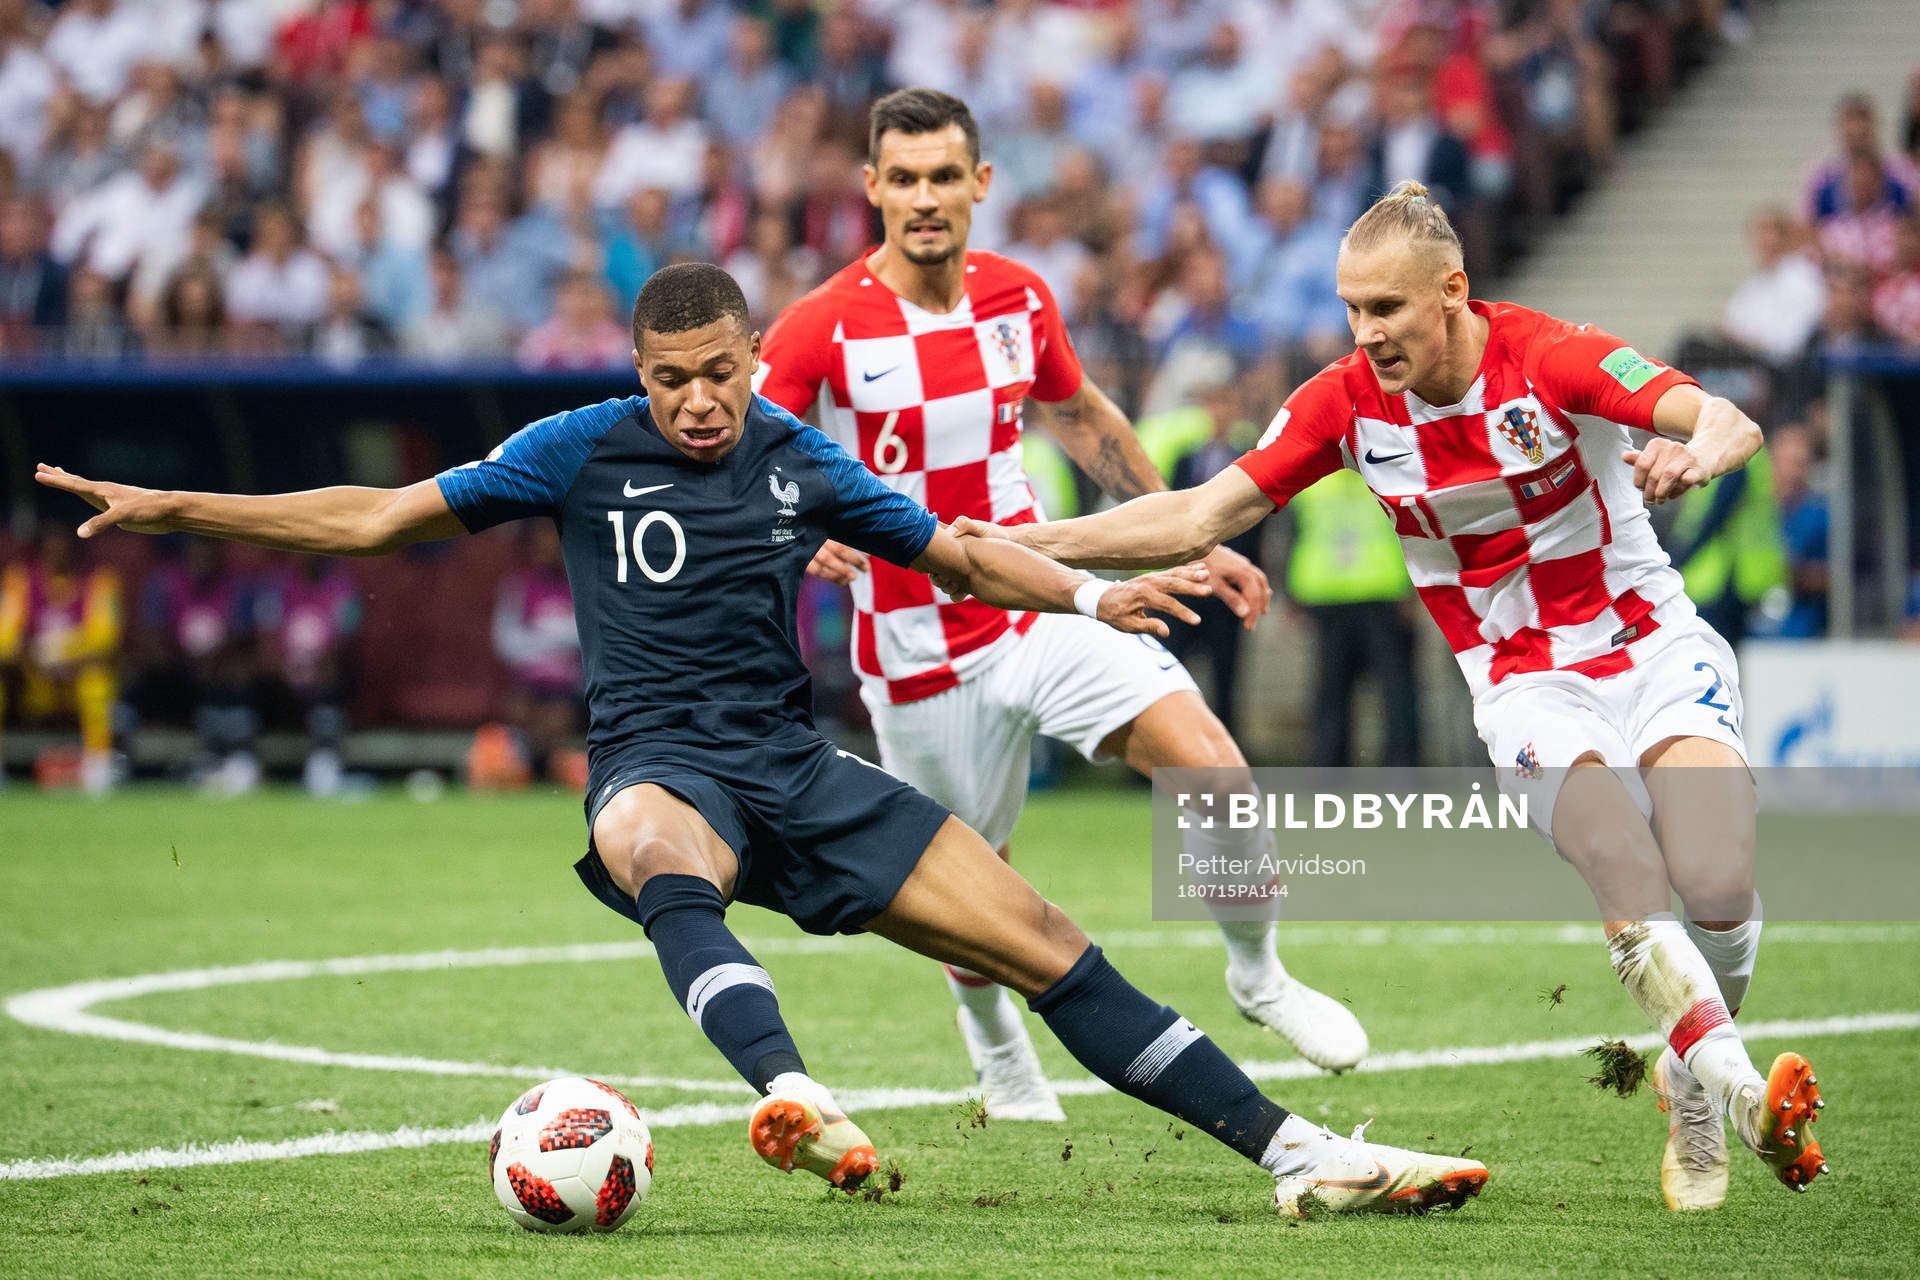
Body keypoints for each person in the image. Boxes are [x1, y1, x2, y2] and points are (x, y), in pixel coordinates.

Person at [33, 262, 1486, 1217]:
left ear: (746, 358)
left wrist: (1098, 591)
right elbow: (375, 517)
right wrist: (177, 508)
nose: (700, 400)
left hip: (799, 767)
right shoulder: (577, 446)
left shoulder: (799, 457)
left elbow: (962, 553)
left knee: (1044, 937)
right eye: (673, 380)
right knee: (657, 848)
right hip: (660, 761)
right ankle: (793, 1091)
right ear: (641, 374)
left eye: (720, 371)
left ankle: (1307, 1161)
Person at [955, 183, 1831, 1211]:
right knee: (1625, 864)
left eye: (1387, 309)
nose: (1366, 334)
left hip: (1650, 645)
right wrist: (1006, 545)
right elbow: (1198, 516)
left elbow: (1725, 416)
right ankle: (1731, 1096)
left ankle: (1693, 1074)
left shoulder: (1554, 356)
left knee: (1720, 882)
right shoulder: (1343, 403)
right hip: (1524, 684)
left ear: (1452, 291)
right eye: (1352, 311)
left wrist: (1697, 453)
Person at [755, 90, 1370, 1125]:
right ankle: (995, 1041)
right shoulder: (821, 325)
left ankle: (1259, 972)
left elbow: (1082, 417)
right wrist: (796, 524)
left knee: (1212, 766)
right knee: (970, 885)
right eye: (901, 178)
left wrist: (1194, 536)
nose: (924, 198)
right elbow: (744, 460)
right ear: (871, 189)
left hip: (1042, 604)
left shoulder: (1019, 299)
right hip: (914, 648)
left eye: (944, 175)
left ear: (980, 183)